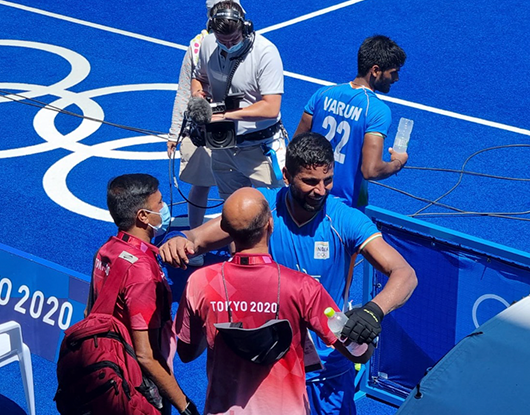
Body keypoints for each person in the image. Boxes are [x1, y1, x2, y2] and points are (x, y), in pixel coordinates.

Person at [160, 133, 418, 415]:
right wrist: (178, 239)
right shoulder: (262, 210)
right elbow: (195, 238)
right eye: (310, 181)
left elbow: (404, 273)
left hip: (327, 371)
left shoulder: (344, 219)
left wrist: (373, 311)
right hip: (272, 371)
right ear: (286, 176)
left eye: (327, 180)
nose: (321, 190)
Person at [175, 187, 372, 414]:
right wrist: (367, 329)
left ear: (225, 229)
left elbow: (186, 353)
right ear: (270, 223)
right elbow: (354, 351)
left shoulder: (199, 282)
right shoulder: (302, 287)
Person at [86, 174, 198, 415]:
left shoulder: (106, 249)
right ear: (143, 217)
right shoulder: (143, 271)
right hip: (134, 385)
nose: (165, 208)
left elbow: (89, 311)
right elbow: (146, 356)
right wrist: (185, 405)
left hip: (103, 367)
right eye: (159, 204)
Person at [166, 1, 245, 267]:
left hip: (234, 126)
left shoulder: (248, 43)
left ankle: (238, 249)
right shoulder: (197, 47)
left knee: (235, 191)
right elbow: (184, 91)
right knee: (202, 185)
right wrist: (174, 132)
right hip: (205, 127)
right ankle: (194, 245)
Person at [294, 35, 408, 209]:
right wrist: (398, 163)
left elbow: (296, 146)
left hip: (308, 199)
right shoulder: (377, 111)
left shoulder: (322, 94)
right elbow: (371, 170)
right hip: (345, 208)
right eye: (393, 72)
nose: (396, 78)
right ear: (375, 70)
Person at [190, 0, 287, 201]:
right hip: (222, 146)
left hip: (261, 148)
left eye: (234, 40)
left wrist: (223, 115)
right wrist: (198, 96)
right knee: (233, 210)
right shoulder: (208, 44)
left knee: (275, 209)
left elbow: (271, 107)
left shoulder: (266, 53)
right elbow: (199, 78)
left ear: (245, 28)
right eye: (222, 41)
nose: (228, 45)